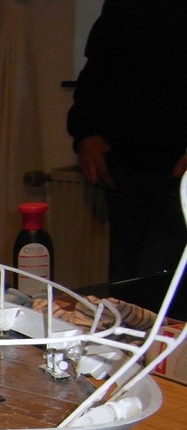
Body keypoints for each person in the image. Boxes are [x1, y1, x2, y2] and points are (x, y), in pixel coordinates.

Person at [67, 0, 187, 293]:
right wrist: (86, 134)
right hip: (123, 170)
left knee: (162, 284)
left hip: (178, 175)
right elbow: (97, 72)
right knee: (126, 285)